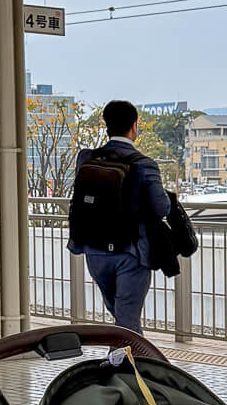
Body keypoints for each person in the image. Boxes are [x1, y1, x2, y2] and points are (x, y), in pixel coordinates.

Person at [68, 100, 171, 333]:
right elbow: (161, 208)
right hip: (131, 254)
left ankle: (131, 362)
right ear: (134, 126)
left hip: (94, 251)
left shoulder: (86, 158)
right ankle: (127, 366)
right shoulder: (144, 164)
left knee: (122, 317)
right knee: (127, 320)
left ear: (107, 126)